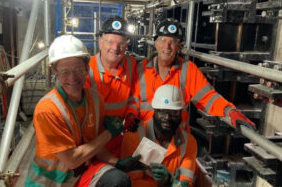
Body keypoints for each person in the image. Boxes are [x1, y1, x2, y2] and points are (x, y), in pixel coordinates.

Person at [25, 35, 142, 187]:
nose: (73, 78)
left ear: (87, 68)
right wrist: (109, 133)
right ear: (56, 73)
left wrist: (118, 163)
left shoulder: (95, 100)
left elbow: (93, 146)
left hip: (80, 175)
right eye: (65, 72)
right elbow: (72, 160)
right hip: (49, 181)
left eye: (78, 69)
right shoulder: (48, 109)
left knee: (118, 181)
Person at [126, 18, 255, 132]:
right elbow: (134, 99)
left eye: (174, 41)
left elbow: (208, 97)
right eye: (163, 39)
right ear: (155, 43)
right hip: (146, 135)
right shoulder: (141, 68)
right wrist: (130, 114)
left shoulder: (188, 70)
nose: (167, 45)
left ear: (179, 47)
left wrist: (230, 112)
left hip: (175, 138)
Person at [121, 85, 197, 187]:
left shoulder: (189, 143)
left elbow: (185, 183)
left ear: (180, 113)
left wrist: (169, 180)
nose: (167, 117)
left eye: (174, 113)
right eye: (162, 111)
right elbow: (133, 182)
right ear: (154, 111)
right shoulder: (134, 137)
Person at [85, 16, 139, 157]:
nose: (115, 48)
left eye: (121, 43)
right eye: (110, 41)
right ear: (100, 42)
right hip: (93, 142)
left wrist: (130, 114)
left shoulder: (130, 64)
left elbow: (134, 95)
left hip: (120, 137)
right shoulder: (87, 70)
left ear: (126, 45)